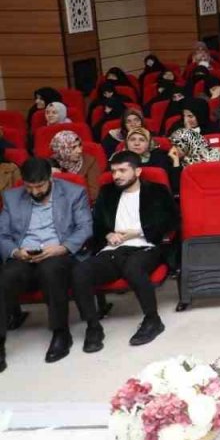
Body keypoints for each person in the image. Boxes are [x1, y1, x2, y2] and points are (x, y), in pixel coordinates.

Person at [71, 151, 178, 353]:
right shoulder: (107, 192)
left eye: (122, 170)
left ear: (137, 171)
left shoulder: (157, 191)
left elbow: (171, 220)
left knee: (133, 268)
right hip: (112, 248)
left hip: (145, 246)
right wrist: (107, 235)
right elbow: (97, 224)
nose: (117, 175)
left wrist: (137, 232)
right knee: (80, 272)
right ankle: (93, 327)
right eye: (113, 171)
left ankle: (153, 320)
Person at [0, 157, 92, 367]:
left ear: (50, 177)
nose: (34, 192)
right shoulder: (12, 197)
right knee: (4, 278)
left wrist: (63, 247)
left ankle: (61, 333)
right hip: (25, 254)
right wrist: (16, 252)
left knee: (51, 272)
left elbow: (85, 227)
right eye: (29, 187)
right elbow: (2, 234)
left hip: (57, 252)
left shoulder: (73, 193)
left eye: (39, 186)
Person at [48, 129, 102, 202]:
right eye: (73, 147)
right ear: (62, 150)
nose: (79, 150)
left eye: (79, 145)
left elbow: (94, 194)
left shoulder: (90, 162)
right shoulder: (51, 163)